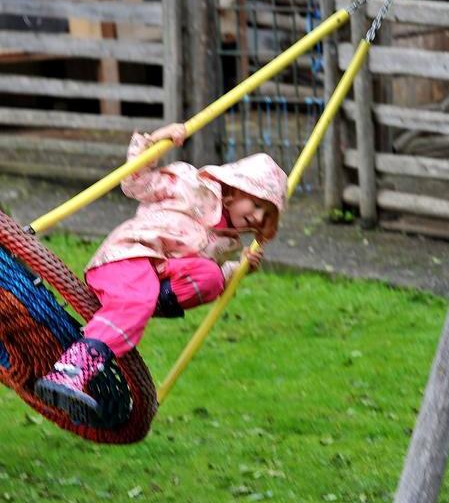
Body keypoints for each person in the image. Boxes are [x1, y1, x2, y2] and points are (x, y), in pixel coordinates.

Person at [34, 123, 288, 424]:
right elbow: (136, 182)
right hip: (129, 255)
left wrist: (240, 269)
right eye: (256, 204)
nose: (257, 217)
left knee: (211, 275)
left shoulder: (228, 243)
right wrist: (152, 142)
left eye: (265, 216)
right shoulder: (190, 184)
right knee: (138, 298)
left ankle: (140, 305)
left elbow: (201, 276)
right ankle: (69, 371)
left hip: (157, 279)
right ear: (237, 190)